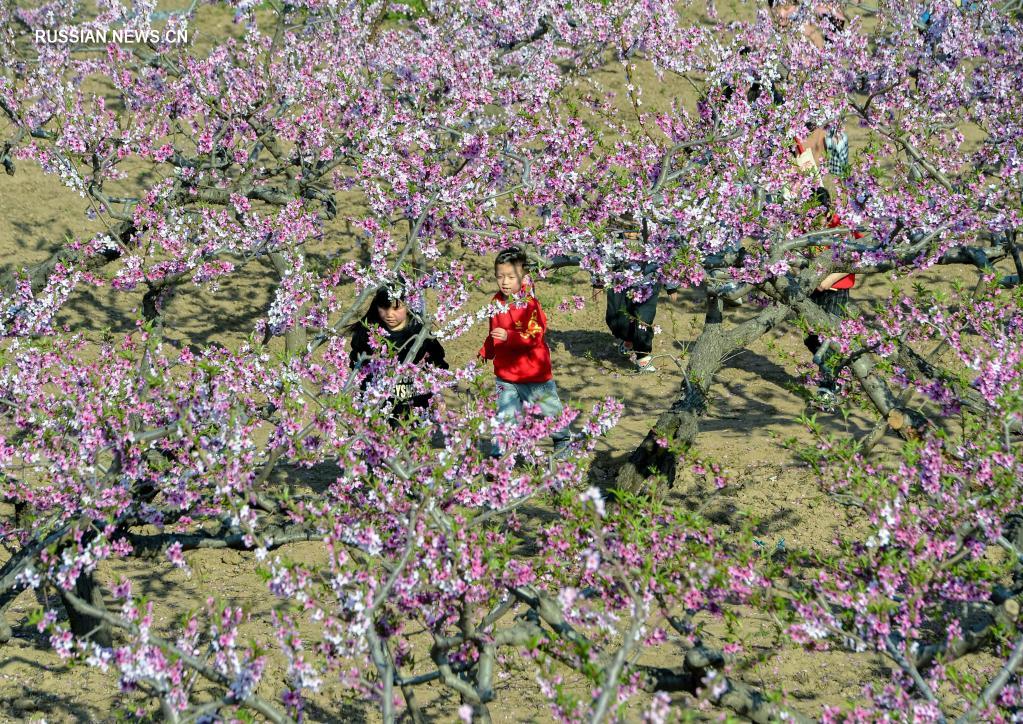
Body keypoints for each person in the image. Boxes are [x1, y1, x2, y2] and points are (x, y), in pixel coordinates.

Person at [478, 246, 570, 458]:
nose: (505, 282)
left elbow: (535, 336)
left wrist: (510, 337)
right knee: (505, 415)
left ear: (523, 276)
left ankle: (562, 439)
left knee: (549, 410)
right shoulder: (496, 302)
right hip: (506, 374)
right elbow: (494, 331)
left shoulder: (530, 304)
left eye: (511, 276)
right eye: (500, 276)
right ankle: (500, 453)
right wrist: (487, 350)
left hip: (533, 374)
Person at [802, 187, 864, 404]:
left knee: (829, 338)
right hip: (814, 289)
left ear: (828, 212)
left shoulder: (842, 225)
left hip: (836, 290)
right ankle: (841, 373)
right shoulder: (805, 224)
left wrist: (829, 279)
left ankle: (828, 388)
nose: (815, 222)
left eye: (819, 217)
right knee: (811, 337)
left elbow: (857, 258)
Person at [348, 286, 448, 419]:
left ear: (409, 305)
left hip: (413, 403)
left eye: (396, 308)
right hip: (376, 401)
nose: (389, 314)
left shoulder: (420, 333)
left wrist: (437, 394)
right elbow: (356, 364)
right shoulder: (367, 333)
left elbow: (437, 365)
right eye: (384, 308)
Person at [594, 216, 678, 373]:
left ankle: (643, 357)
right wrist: (597, 283)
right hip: (619, 283)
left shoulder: (653, 237)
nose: (631, 234)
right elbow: (600, 259)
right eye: (627, 230)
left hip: (647, 286)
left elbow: (665, 260)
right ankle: (628, 340)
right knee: (616, 319)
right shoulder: (612, 240)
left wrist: (671, 286)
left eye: (635, 230)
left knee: (643, 322)